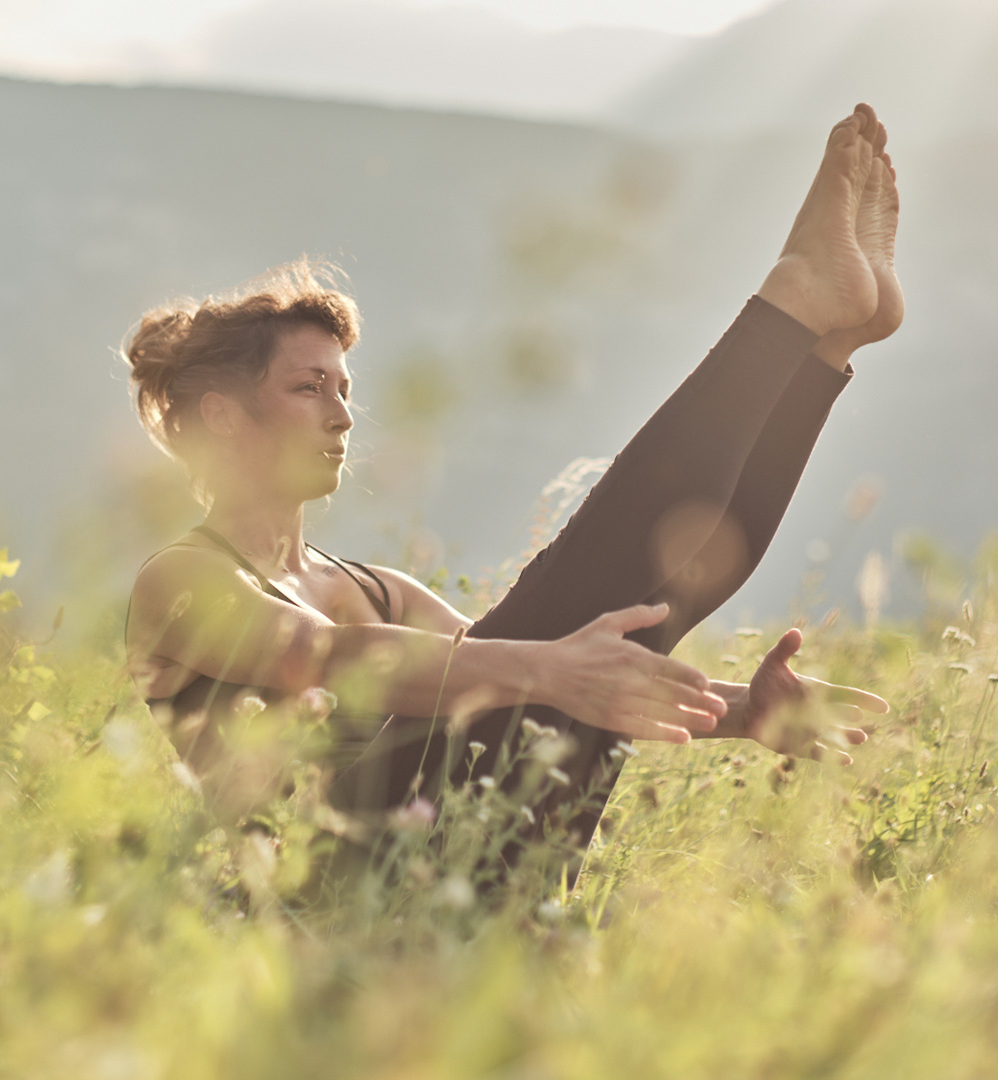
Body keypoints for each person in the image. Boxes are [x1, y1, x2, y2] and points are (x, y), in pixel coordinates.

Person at [124, 104, 902, 878]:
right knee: (559, 641)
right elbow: (326, 656)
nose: (342, 415)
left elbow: (556, 662)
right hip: (339, 884)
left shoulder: (377, 590)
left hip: (470, 861)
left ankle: (823, 344)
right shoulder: (183, 579)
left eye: (343, 388)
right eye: (308, 388)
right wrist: (547, 668)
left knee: (618, 617)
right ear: (222, 417)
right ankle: (795, 309)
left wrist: (745, 713)